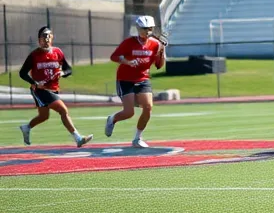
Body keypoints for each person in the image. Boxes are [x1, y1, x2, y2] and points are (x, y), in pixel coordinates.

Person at [17, 26, 92, 147]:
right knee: (63, 110)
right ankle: (78, 138)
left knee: (44, 116)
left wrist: (63, 73)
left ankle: (27, 127)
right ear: (39, 39)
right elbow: (22, 73)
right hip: (40, 90)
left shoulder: (57, 52)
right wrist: (35, 82)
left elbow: (68, 69)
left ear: (52, 38)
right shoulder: (34, 55)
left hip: (53, 89)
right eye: (43, 37)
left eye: (48, 37)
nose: (46, 40)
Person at [105, 15, 165, 148]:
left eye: (150, 29)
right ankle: (112, 119)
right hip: (125, 79)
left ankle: (137, 138)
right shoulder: (129, 42)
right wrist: (127, 62)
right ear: (138, 28)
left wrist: (162, 51)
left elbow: (159, 65)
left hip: (143, 78)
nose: (147, 32)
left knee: (148, 107)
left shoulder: (155, 44)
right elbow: (114, 56)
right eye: (144, 29)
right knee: (129, 112)